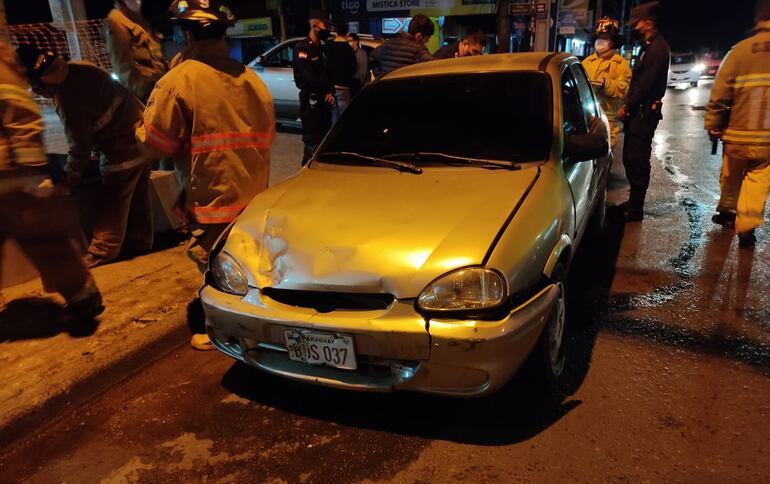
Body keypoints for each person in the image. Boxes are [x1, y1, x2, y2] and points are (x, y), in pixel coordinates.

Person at [139, 0, 275, 350]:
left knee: (215, 264)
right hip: (254, 193)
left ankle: (223, 331)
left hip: (212, 197)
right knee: (247, 262)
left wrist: (137, 127)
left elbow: (155, 144)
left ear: (186, 35)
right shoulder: (251, 79)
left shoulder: (180, 80)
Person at [17, 45, 154, 268]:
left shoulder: (69, 99)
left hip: (120, 152)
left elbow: (79, 148)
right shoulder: (80, 67)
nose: (39, 94)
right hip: (142, 139)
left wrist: (66, 183)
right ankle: (140, 241)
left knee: (112, 198)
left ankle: (102, 251)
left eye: (36, 88)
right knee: (138, 195)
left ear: (42, 82)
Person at [0, 40, 103, 320]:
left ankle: (83, 295)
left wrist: (37, 177)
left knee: (42, 239)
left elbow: (24, 120)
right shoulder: (80, 75)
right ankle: (83, 294)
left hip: (9, 178)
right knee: (42, 239)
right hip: (10, 177)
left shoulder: (3, 71)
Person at [705, 0, 770, 247]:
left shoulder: (739, 51)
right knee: (758, 179)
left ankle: (728, 213)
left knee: (731, 176)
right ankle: (747, 227)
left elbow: (720, 94)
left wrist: (713, 124)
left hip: (737, 135)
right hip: (767, 141)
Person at [616, 1, 670, 222]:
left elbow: (644, 84)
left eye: (636, 24)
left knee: (637, 159)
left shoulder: (657, 49)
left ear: (647, 23)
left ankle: (636, 209)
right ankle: (633, 203)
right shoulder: (650, 46)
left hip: (644, 113)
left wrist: (627, 106)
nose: (634, 28)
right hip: (639, 113)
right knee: (631, 157)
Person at [581, 17, 632, 148]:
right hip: (585, 119)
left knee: (603, 157)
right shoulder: (587, 62)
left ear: (613, 41)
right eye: (599, 37)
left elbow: (623, 89)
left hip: (607, 120)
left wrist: (605, 84)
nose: (601, 41)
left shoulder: (620, 64)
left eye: (605, 37)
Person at [105, 0, 168, 102]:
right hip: (147, 97)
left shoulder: (136, 19)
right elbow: (124, 68)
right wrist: (148, 96)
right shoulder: (115, 20)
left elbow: (156, 57)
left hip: (160, 88)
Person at [293, 9, 334, 166]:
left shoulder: (321, 49)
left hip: (324, 104)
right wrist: (325, 91)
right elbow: (308, 78)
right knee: (312, 146)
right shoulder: (302, 48)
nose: (328, 30)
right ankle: (305, 178)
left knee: (323, 144)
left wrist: (330, 91)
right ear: (316, 26)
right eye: (326, 26)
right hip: (311, 106)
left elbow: (328, 74)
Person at [370, 13, 434, 78]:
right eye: (427, 38)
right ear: (419, 36)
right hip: (405, 87)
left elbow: (371, 58)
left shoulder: (387, 44)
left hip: (385, 86)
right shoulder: (419, 50)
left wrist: (379, 76)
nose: (427, 41)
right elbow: (434, 67)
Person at [324, 22, 357, 124]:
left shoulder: (329, 46)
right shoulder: (348, 49)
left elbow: (326, 66)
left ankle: (333, 137)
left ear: (336, 32)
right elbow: (353, 69)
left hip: (331, 87)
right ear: (347, 33)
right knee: (343, 118)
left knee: (334, 115)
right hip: (344, 87)